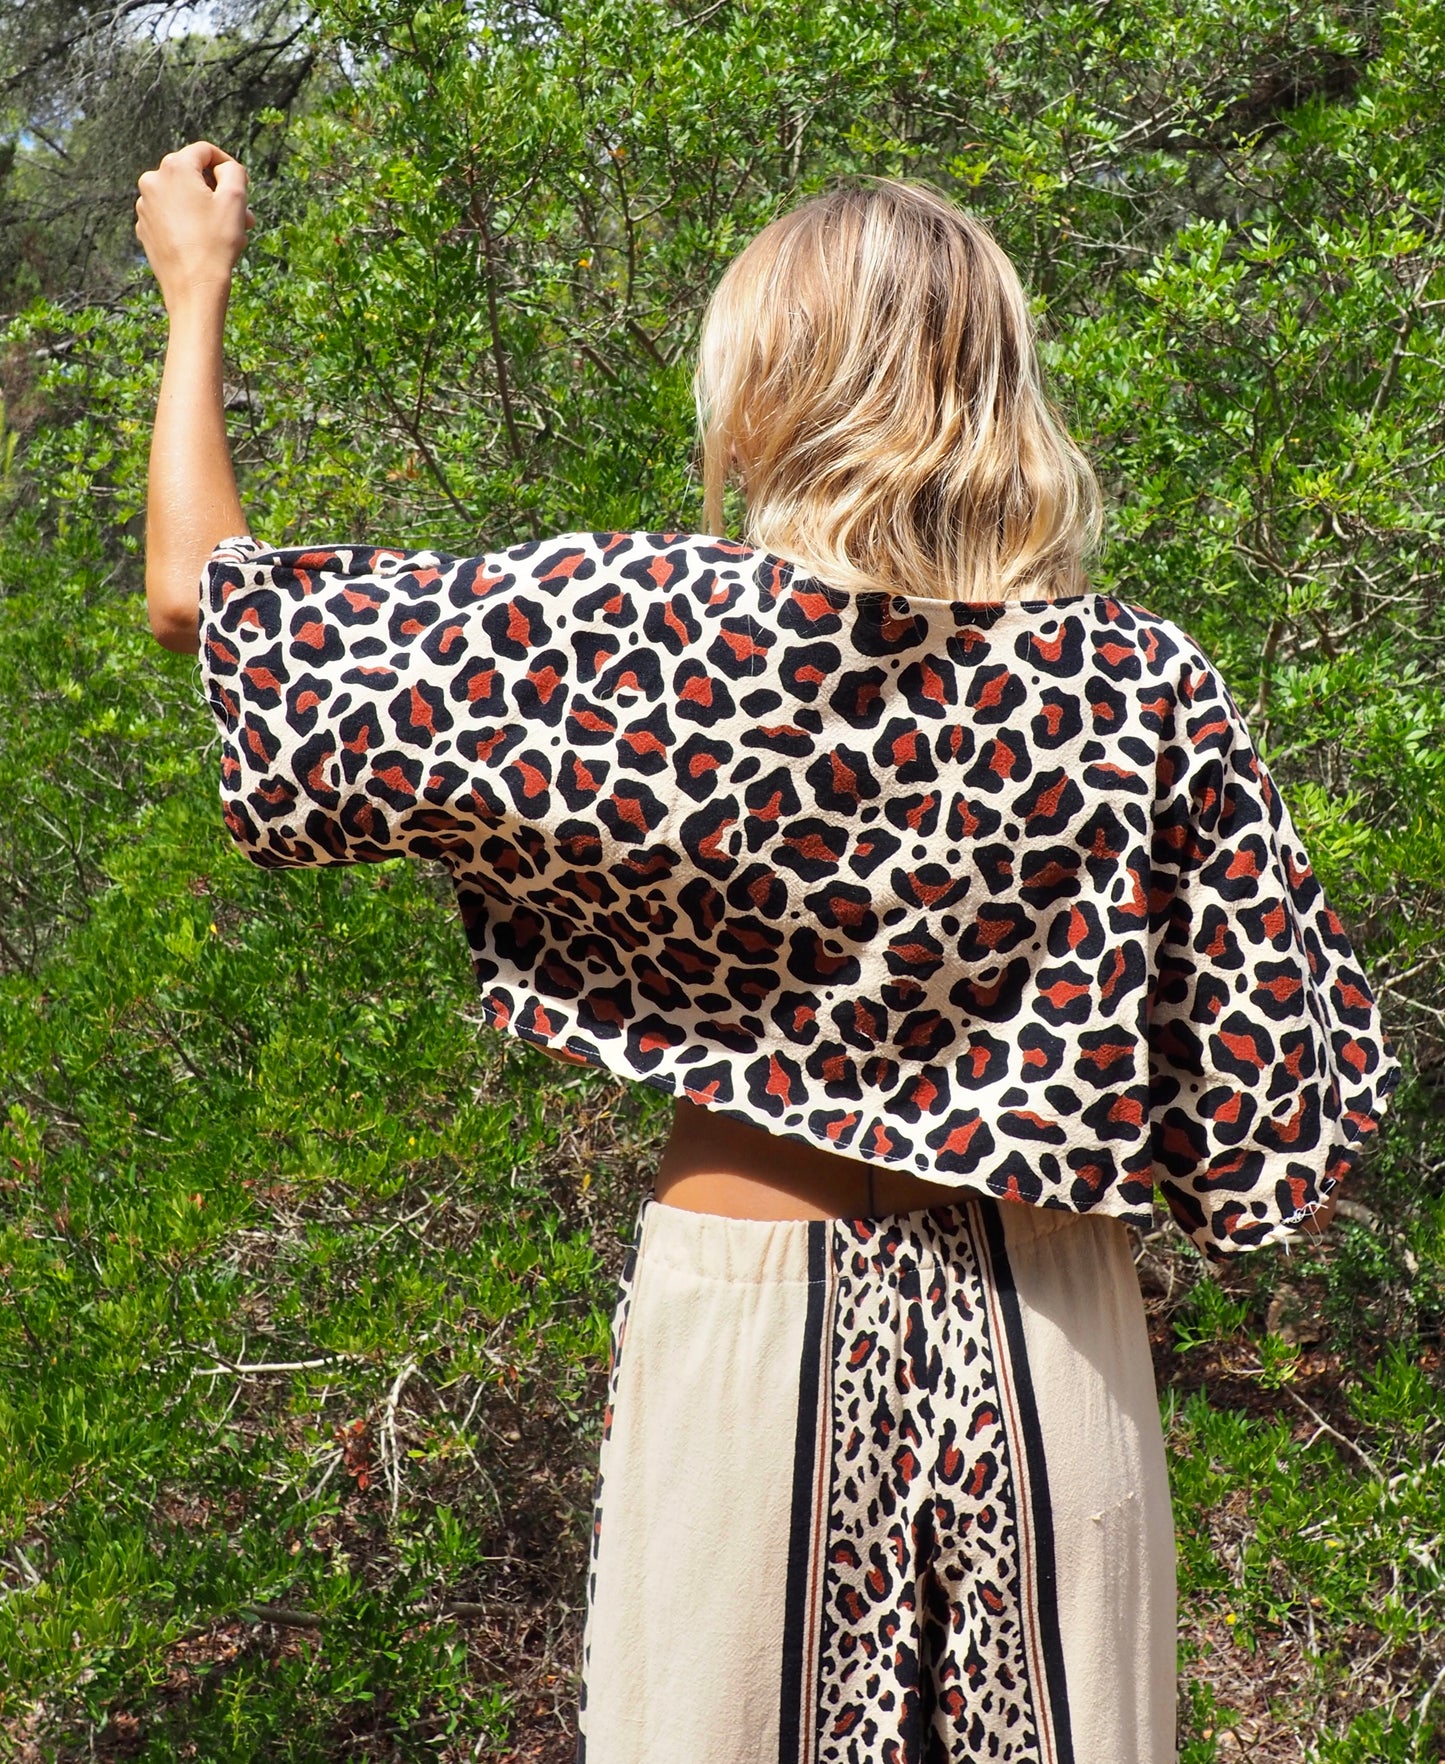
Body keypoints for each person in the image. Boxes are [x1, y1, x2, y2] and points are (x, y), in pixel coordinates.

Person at [137, 141, 1397, 1764]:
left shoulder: (637, 630)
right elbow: (1273, 1130)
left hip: (752, 1324)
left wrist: (196, 286)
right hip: (1052, 1337)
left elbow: (208, 607)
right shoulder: (1143, 686)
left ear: (765, 391)